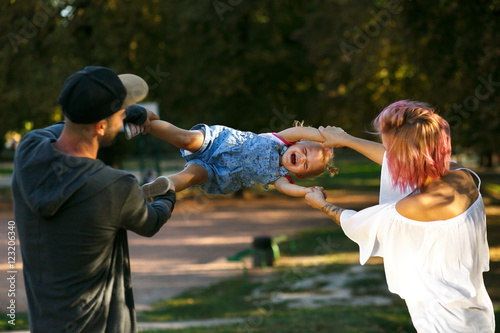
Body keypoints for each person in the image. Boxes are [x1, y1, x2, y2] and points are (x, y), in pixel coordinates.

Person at [305, 100, 495, 332]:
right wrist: (346, 140)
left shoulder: (413, 207)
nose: (386, 151)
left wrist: (322, 204)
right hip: (479, 318)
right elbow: (394, 159)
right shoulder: (461, 176)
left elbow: (355, 222)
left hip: (443, 324)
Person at [12, 66, 176, 332]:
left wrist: (131, 114)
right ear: (101, 127)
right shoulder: (114, 187)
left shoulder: (28, 152)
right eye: (121, 112)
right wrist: (169, 190)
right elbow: (152, 220)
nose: (125, 115)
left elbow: (58, 129)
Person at [126, 116, 338, 197]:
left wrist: (307, 191)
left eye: (306, 165)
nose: (302, 159)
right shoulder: (282, 139)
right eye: (306, 152)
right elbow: (305, 132)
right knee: (186, 139)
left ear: (299, 175)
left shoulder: (279, 177)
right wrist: (330, 138)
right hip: (221, 142)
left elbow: (289, 190)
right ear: (299, 142)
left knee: (194, 176)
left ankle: (163, 186)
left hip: (220, 174)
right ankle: (146, 123)